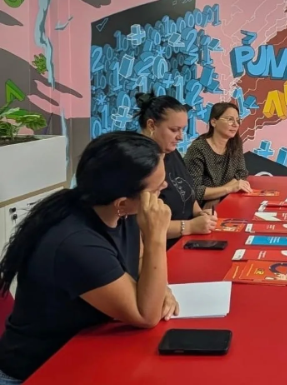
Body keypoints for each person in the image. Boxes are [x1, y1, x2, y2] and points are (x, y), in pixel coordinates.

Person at [0, 132, 176, 384]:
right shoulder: (76, 243)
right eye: (157, 189)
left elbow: (138, 261)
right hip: (39, 371)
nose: (165, 188)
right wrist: (157, 236)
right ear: (122, 203)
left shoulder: (121, 213)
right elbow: (145, 315)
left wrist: (162, 290)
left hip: (84, 354)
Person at [135, 92, 218, 248]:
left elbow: (186, 192)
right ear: (151, 125)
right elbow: (141, 227)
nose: (180, 136)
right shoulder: (137, 163)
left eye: (182, 130)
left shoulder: (171, 152)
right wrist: (190, 226)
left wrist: (200, 213)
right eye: (174, 130)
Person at [184, 102, 251, 208]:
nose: (235, 124)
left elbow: (241, 173)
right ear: (214, 122)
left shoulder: (235, 144)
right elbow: (193, 191)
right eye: (230, 119)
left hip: (227, 201)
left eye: (238, 120)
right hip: (200, 209)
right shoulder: (198, 148)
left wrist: (222, 192)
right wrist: (229, 188)